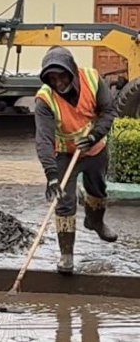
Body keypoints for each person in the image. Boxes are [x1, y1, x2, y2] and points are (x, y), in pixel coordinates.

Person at [34, 46, 118, 275]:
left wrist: (93, 136)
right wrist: (51, 176)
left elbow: (109, 111)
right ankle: (66, 254)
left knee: (97, 192)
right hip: (65, 154)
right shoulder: (44, 99)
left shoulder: (92, 79)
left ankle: (96, 223)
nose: (58, 82)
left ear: (71, 71)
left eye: (61, 76)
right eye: (52, 78)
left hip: (95, 150)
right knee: (64, 202)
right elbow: (43, 139)